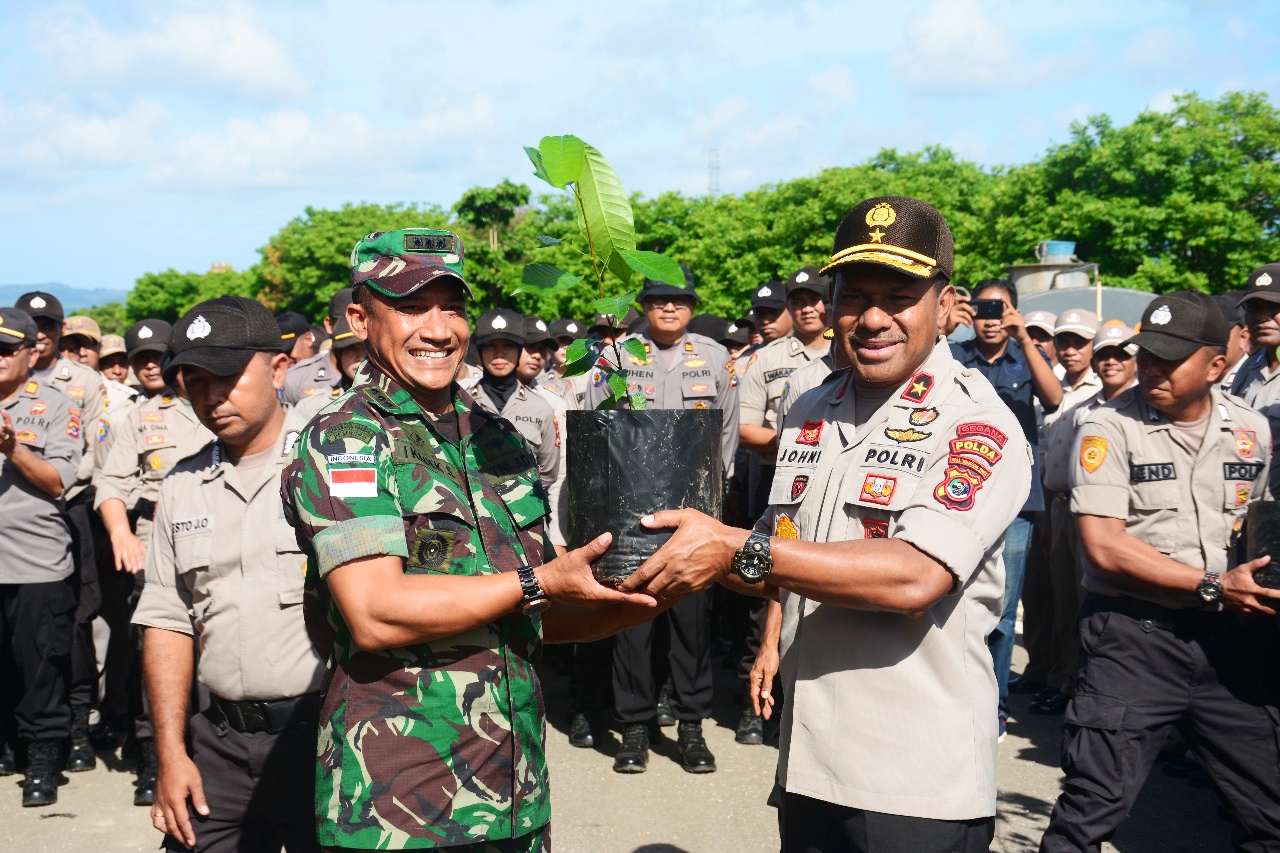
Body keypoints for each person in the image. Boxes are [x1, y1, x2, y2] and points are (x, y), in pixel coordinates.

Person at [622, 195, 1032, 852]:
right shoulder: (812, 408)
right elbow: (783, 553)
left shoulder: (974, 422)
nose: (872, 317)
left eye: (897, 295)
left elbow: (914, 576)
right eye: (853, 294)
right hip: (811, 762)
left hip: (913, 782)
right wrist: (680, 554)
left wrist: (731, 549)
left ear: (945, 303)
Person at [280, 228, 662, 852]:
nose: (438, 329)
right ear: (359, 318)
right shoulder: (346, 436)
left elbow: (534, 615)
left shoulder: (496, 437)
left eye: (451, 307)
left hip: (514, 794)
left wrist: (660, 584)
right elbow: (374, 615)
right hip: (399, 806)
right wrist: (538, 581)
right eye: (409, 307)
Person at [1039, 290, 1280, 851]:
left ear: (1217, 364)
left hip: (1231, 643)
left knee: (1269, 812)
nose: (1150, 369)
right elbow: (1104, 546)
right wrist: (1216, 585)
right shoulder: (1107, 427)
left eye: (1168, 358)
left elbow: (1254, 532)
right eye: (1146, 355)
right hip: (1134, 638)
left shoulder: (1252, 431)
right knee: (1088, 813)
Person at [133, 296, 325, 852]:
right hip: (218, 745)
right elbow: (168, 622)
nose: (212, 395)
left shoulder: (328, 467)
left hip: (323, 739)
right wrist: (170, 756)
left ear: (279, 368)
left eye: (228, 375)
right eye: (194, 381)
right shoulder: (181, 486)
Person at [583, 269, 739, 775]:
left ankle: (691, 727)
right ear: (643, 307)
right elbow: (594, 424)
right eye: (658, 301)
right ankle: (634, 728)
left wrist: (715, 498)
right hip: (631, 510)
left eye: (678, 300)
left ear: (692, 306)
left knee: (692, 623)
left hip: (692, 511)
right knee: (631, 622)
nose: (668, 309)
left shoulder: (716, 358)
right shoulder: (618, 357)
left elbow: (727, 435)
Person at [94, 318, 212, 805]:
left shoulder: (221, 407)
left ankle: (208, 753)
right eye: (141, 357)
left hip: (214, 549)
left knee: (213, 656)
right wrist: (121, 533)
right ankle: (153, 756)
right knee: (156, 656)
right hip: (154, 550)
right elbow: (110, 483)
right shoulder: (140, 418)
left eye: (159, 356)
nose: (151, 365)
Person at [948, 278, 1062, 736]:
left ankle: (992, 704)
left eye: (1003, 308)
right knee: (953, 599)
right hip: (959, 495)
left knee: (1002, 608)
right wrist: (941, 331)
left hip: (1016, 501)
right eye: (984, 308)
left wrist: (1024, 338)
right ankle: (955, 697)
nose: (991, 318)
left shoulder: (1027, 355)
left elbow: (1054, 398)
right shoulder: (954, 354)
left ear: (1016, 310)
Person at [733, 266, 832, 743]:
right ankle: (760, 701)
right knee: (770, 586)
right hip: (784, 486)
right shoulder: (775, 363)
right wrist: (800, 449)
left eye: (817, 298)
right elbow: (747, 426)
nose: (808, 307)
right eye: (799, 299)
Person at [14, 291, 107, 776]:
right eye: (35, 323)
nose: (42, 332)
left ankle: (72, 729)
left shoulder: (81, 384)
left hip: (70, 512)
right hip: (20, 528)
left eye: (48, 324)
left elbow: (93, 451)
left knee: (69, 629)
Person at [0, 306, 83, 806]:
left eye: (7, 349)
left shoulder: (55, 406)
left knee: (40, 667)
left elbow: (57, 481)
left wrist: (12, 448)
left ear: (31, 352)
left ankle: (43, 760)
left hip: (34, 560)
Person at [467, 308, 560, 495]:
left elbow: (549, 473)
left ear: (518, 350)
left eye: (508, 345)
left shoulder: (542, 408)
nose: (499, 354)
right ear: (480, 350)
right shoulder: (462, 402)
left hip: (526, 517)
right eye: (490, 345)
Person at [1230, 263, 1280, 497]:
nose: (1262, 317)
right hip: (1253, 511)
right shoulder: (1249, 366)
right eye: (1254, 307)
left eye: (1274, 308)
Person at [288, 313, 365, 424]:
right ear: (339, 355)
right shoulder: (311, 409)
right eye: (350, 349)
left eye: (365, 347)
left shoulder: (397, 395)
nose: (360, 357)